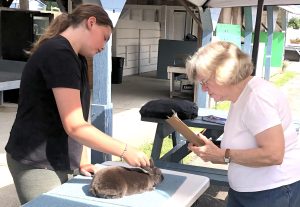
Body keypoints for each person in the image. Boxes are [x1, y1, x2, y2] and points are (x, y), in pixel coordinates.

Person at [5, 3, 150, 205]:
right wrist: (125, 150)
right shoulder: (59, 54)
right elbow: (74, 125)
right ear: (91, 22)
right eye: (105, 37)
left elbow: (76, 117)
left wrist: (81, 158)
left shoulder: (76, 58)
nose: (104, 46)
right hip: (37, 163)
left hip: (60, 158)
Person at [185, 41, 300, 207]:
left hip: (271, 192)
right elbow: (244, 148)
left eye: (204, 82)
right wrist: (216, 152)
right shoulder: (241, 96)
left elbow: (273, 155)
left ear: (222, 73)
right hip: (254, 192)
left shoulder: (257, 97)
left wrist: (223, 154)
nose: (203, 89)